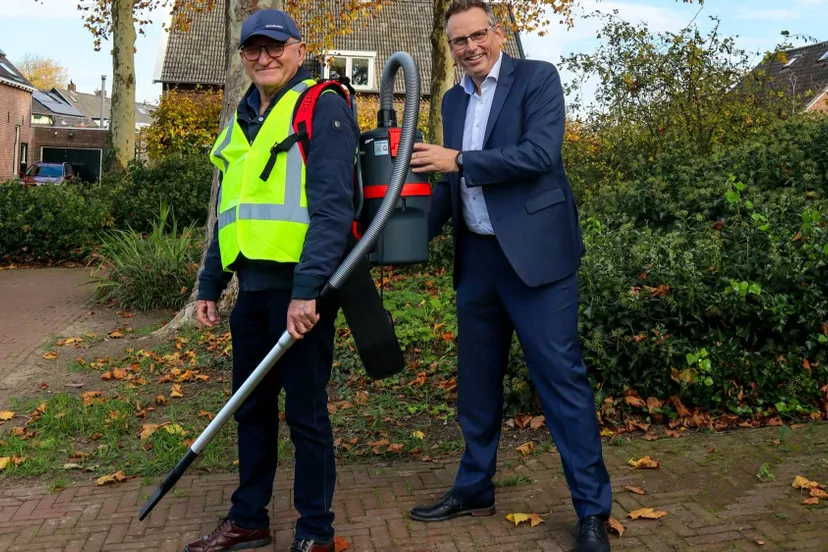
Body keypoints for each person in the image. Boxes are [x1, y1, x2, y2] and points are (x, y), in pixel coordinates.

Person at [407, 1, 612, 550]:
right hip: (477, 262)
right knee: (475, 385)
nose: (470, 47)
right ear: (449, 48)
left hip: (537, 261)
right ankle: (475, 487)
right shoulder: (452, 100)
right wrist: (399, 239)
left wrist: (462, 161)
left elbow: (539, 154)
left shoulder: (537, 78)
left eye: (478, 35)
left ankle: (592, 510)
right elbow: (448, 186)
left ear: (497, 34)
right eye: (458, 41)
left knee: (561, 383)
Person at [184, 8, 359, 552]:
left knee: (305, 415)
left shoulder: (321, 107)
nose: (264, 57)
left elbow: (333, 209)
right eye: (252, 49)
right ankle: (249, 518)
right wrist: (209, 284)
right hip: (253, 295)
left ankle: (316, 532)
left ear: (298, 50)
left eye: (275, 46)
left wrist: (307, 291)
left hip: (302, 291)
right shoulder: (242, 119)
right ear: (242, 57)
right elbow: (231, 209)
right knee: (250, 411)